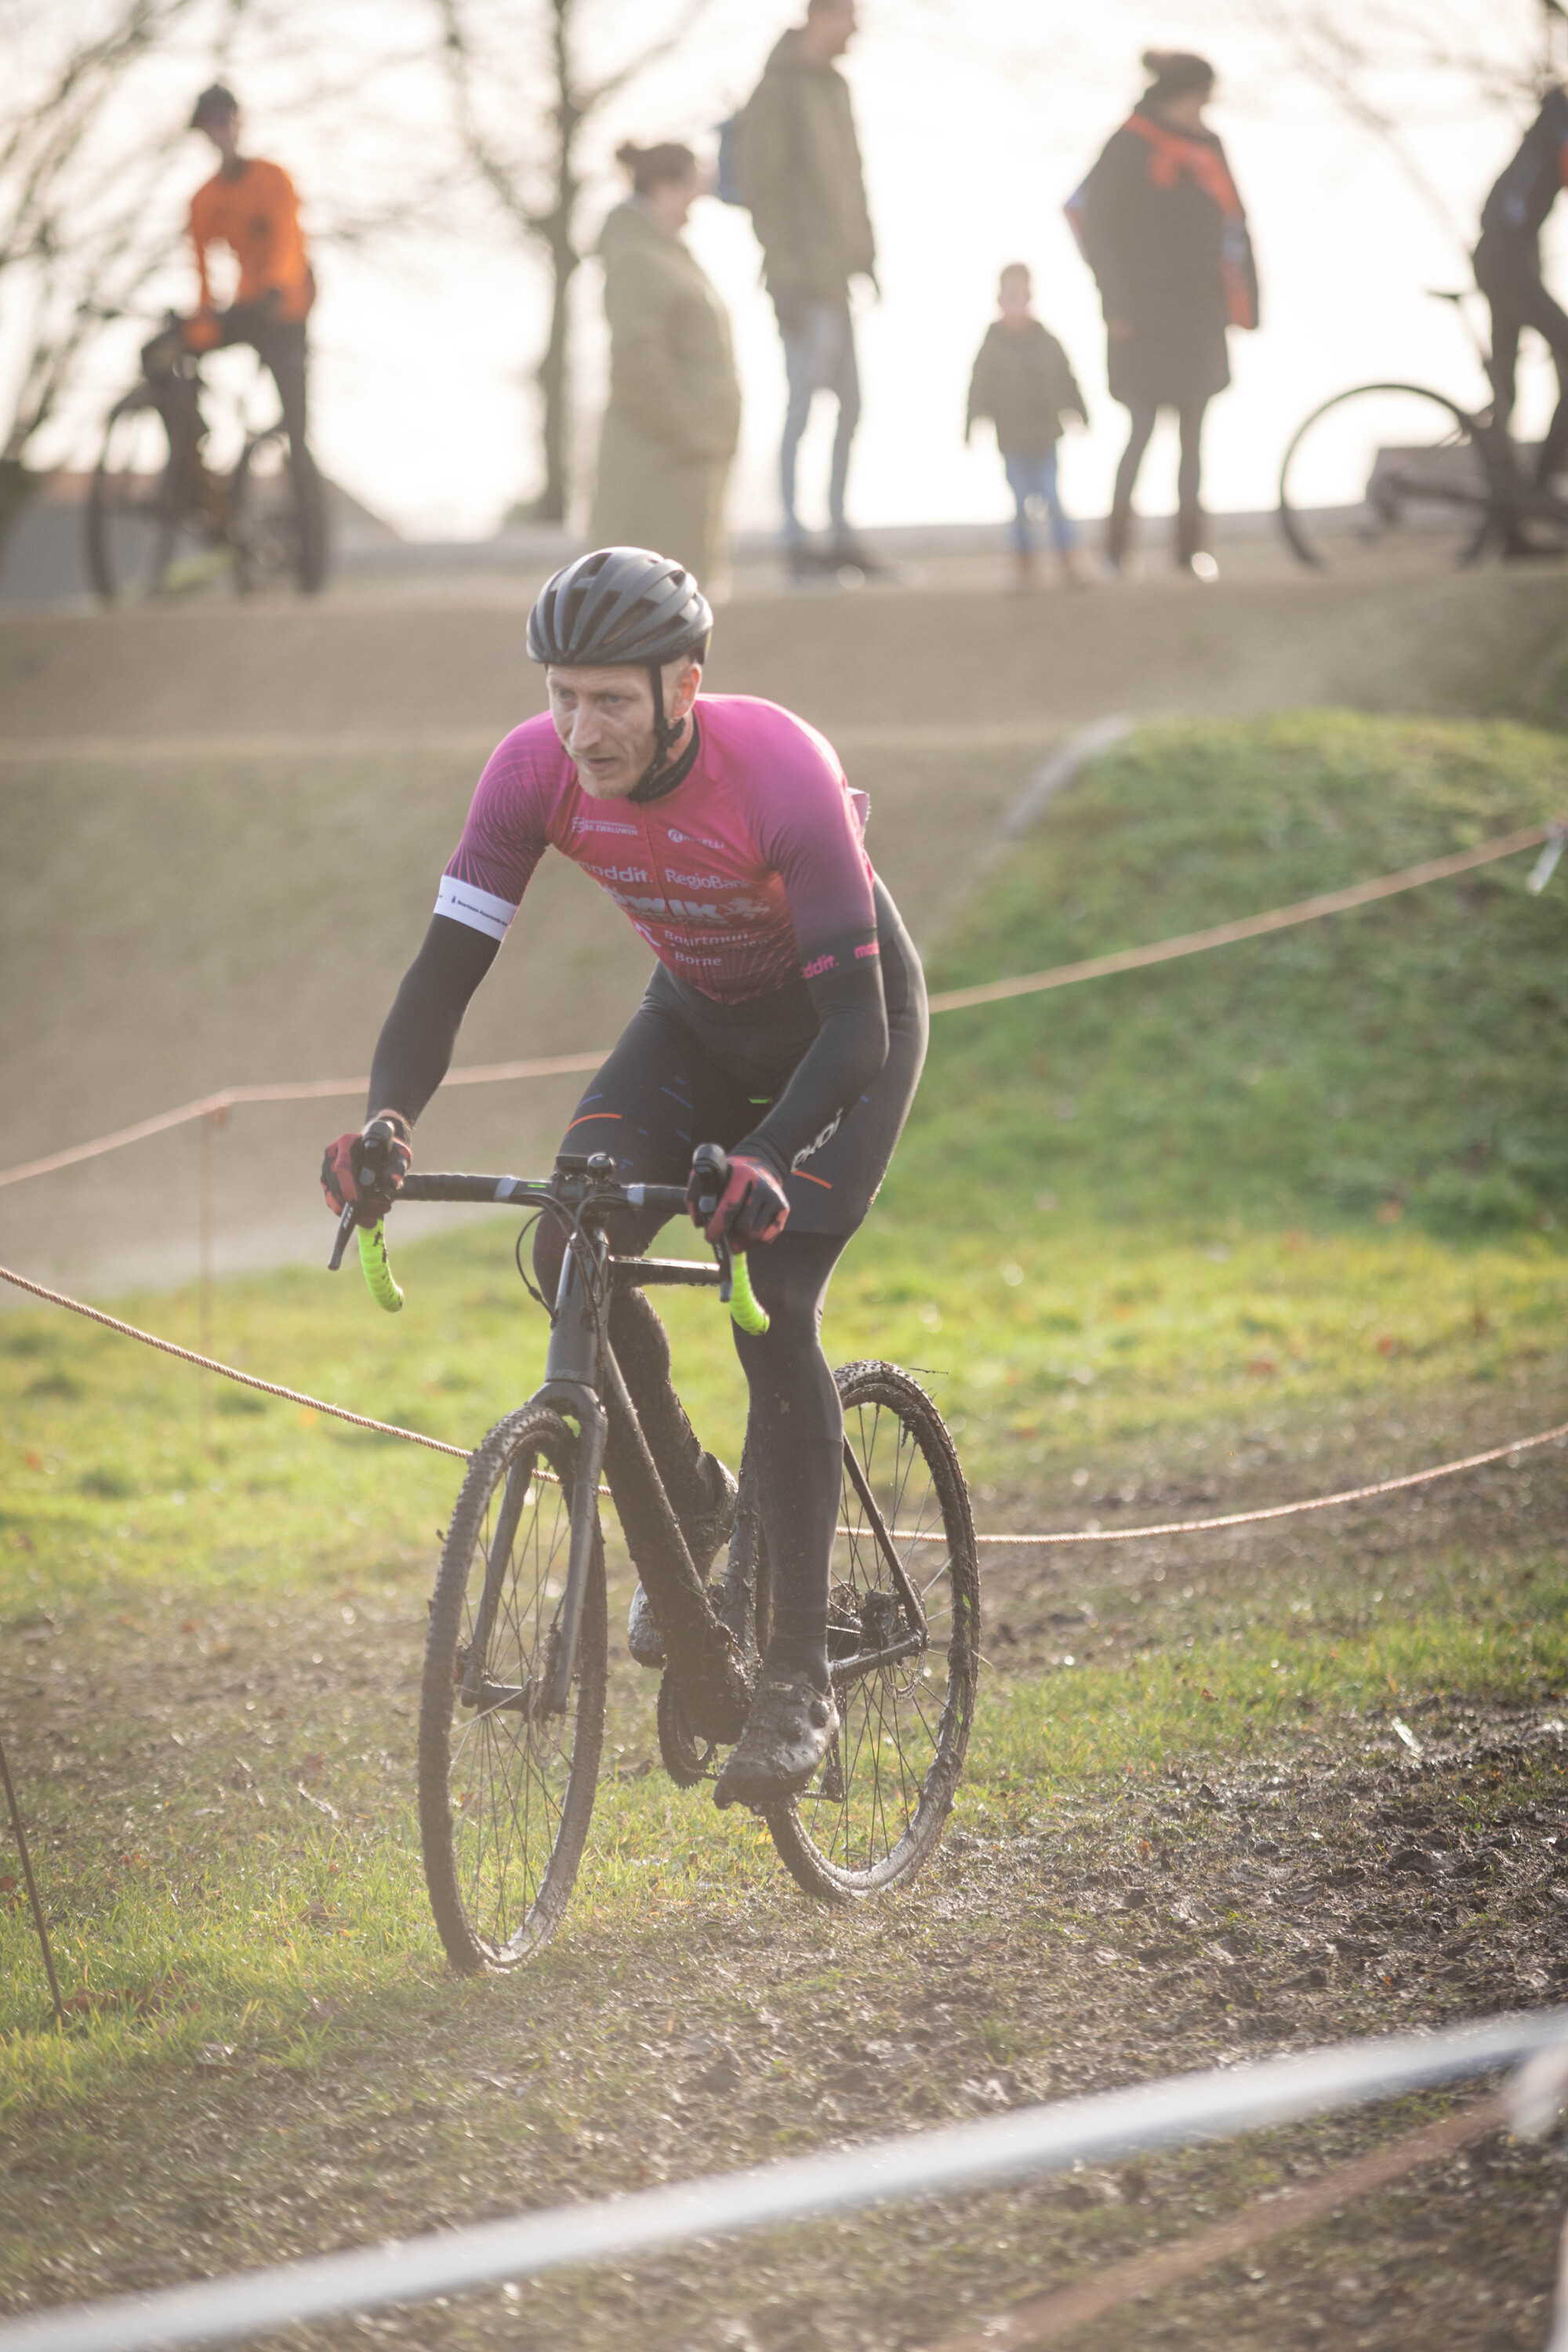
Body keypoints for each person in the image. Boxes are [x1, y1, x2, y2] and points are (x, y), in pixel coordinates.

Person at [318, 546, 928, 1806]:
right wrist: (385, 1119)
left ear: (682, 686)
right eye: (561, 695)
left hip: (839, 1038)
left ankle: (802, 1675)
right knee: (567, 1238)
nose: (579, 728)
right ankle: (702, 1511)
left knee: (776, 1305)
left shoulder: (778, 768)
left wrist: (765, 1156)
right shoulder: (529, 773)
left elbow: (857, 1026)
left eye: (609, 699)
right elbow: (444, 971)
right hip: (696, 1022)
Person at [1066, 50, 1258, 579]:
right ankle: (1115, 550)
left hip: (1200, 316)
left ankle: (1189, 551)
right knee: (1142, 431)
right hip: (1142, 320)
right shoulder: (1128, 145)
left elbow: (1235, 225)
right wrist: (1115, 302)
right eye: (1201, 98)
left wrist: (1248, 303)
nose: (1206, 110)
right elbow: (1089, 218)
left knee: (1195, 439)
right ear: (1180, 95)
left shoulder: (1210, 148)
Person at [734, 0, 877, 577]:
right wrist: (785, 273)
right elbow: (762, 188)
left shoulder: (836, 89)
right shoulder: (775, 91)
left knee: (851, 407)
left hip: (839, 278)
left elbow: (853, 176)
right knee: (801, 408)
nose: (857, 31)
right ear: (821, 17)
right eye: (849, 18)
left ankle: (840, 536)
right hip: (799, 282)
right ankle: (796, 543)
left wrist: (868, 257)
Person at [178, 83, 325, 588]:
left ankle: (312, 561)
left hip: (287, 306)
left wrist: (277, 290)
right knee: (165, 352)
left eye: (227, 119)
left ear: (239, 122)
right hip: (244, 306)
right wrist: (200, 320)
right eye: (212, 124)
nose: (222, 131)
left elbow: (289, 240)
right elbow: (200, 268)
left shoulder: (273, 178)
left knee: (298, 428)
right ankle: (195, 469)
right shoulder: (204, 200)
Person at [590, 143, 741, 589]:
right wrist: (692, 432)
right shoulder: (638, 257)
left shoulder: (663, 252)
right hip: (658, 473)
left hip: (682, 468)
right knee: (649, 620)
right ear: (663, 187)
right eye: (694, 184)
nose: (702, 196)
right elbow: (638, 361)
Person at [965, 263, 1089, 590]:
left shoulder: (1046, 340)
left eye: (1020, 295)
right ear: (999, 300)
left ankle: (1069, 562)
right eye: (1009, 296)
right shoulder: (992, 343)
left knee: (1053, 498)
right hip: (1011, 440)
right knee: (1020, 503)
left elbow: (1066, 379)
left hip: (1045, 436)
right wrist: (971, 422)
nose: (1015, 303)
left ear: (1030, 297)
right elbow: (978, 386)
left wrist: (1079, 411)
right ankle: (1023, 568)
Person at [1475, 85, 1568, 490]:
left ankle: (1510, 519)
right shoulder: (1558, 122)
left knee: (1507, 393)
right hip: (1507, 263)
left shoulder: (1552, 120)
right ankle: (1537, 491)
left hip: (1505, 260)